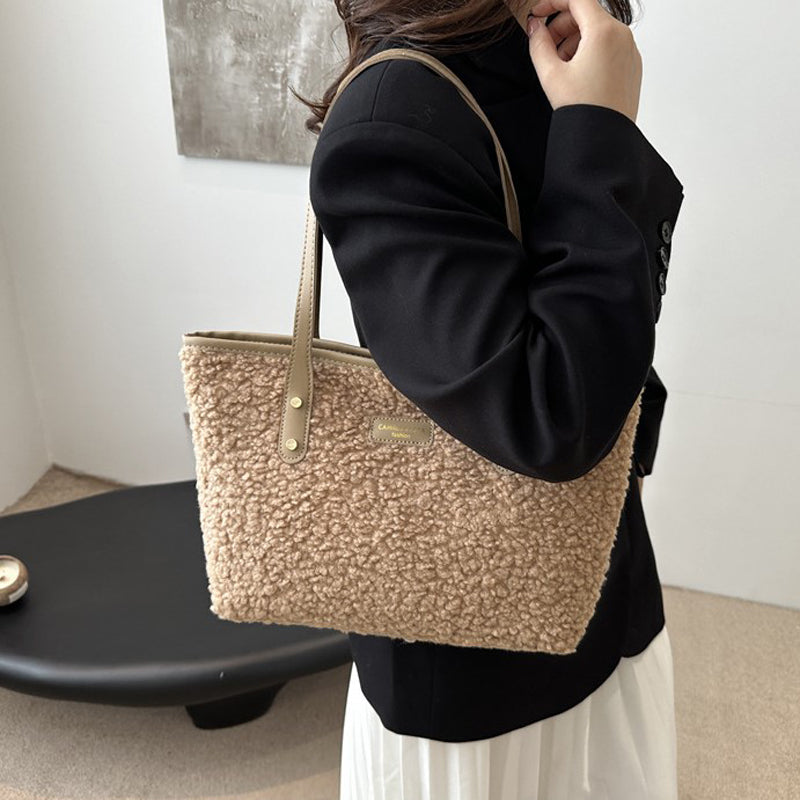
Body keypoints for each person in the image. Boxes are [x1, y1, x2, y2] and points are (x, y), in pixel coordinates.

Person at [302, 0, 685, 796]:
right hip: (471, 661)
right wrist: (601, 133)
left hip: (600, 579)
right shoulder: (392, 118)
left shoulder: (546, 55)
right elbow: (550, 413)